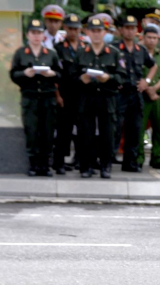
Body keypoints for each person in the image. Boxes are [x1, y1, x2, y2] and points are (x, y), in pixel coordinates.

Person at [11, 18, 61, 176]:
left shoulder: (51, 54)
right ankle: (33, 164)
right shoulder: (21, 53)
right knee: (32, 131)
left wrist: (51, 73)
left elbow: (60, 75)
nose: (36, 36)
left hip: (47, 98)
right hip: (30, 97)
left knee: (47, 132)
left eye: (39, 33)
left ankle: (45, 164)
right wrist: (25, 74)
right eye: (33, 33)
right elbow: (13, 74)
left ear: (43, 35)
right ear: (28, 35)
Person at [75, 17, 122, 179]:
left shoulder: (114, 53)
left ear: (105, 32)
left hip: (106, 97)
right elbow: (71, 77)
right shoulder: (81, 53)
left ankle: (105, 166)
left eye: (99, 31)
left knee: (107, 134)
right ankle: (86, 167)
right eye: (92, 31)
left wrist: (108, 78)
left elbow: (122, 78)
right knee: (85, 134)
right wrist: (81, 79)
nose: (96, 34)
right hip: (87, 98)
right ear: (87, 32)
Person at [114, 15, 157, 173]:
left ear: (136, 31)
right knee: (115, 127)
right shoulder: (114, 48)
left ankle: (130, 162)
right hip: (119, 93)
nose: (130, 31)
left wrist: (146, 80)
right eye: (127, 28)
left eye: (133, 28)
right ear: (121, 30)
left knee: (135, 128)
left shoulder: (141, 50)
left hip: (135, 93)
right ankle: (107, 159)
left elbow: (153, 66)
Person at [53, 14, 85, 174]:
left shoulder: (85, 47)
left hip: (82, 95)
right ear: (65, 28)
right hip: (65, 94)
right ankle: (59, 162)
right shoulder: (58, 48)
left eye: (76, 28)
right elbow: (55, 75)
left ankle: (80, 160)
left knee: (82, 129)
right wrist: (57, 95)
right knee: (64, 130)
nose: (74, 31)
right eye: (70, 28)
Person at [138, 25, 160, 169]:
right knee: (139, 128)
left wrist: (154, 89)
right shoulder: (138, 53)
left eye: (154, 38)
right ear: (143, 38)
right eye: (149, 37)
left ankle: (158, 158)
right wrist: (147, 89)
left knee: (159, 128)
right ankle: (138, 158)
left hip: (159, 95)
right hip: (141, 95)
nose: (152, 41)